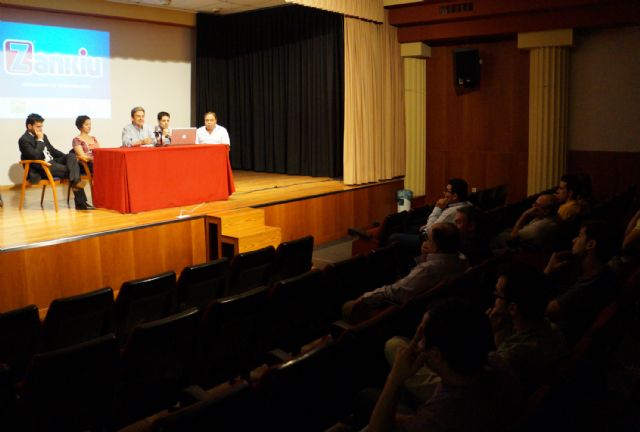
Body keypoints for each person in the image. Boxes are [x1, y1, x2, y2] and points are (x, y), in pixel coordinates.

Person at [367, 299, 521, 432]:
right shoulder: (498, 363)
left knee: (366, 397)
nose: (417, 344)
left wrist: (395, 377)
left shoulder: (440, 417)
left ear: (436, 355)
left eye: (422, 338)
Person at [342, 223, 469, 322]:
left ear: (435, 247)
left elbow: (395, 292)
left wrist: (364, 297)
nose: (424, 241)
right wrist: (424, 257)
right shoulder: (462, 260)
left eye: (428, 238)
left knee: (348, 307)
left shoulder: (428, 270)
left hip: (402, 314)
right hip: (431, 307)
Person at [544, 220, 619, 344]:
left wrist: (547, 270)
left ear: (590, 244)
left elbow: (545, 310)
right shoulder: (605, 273)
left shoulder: (587, 287)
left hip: (555, 340)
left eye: (579, 236)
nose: (574, 240)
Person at [19, 113, 91, 210]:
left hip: (53, 162)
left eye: (41, 126)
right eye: (38, 127)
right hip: (42, 167)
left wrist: (68, 158)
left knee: (71, 156)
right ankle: (81, 203)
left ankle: (79, 197)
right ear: (29, 126)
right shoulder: (24, 140)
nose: (40, 129)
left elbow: (52, 150)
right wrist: (40, 140)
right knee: (75, 171)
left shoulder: (43, 136)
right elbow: (35, 156)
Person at [389, 178, 472, 258]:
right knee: (407, 227)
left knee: (394, 237)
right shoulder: (468, 204)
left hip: (432, 240)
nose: (444, 193)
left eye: (447, 191)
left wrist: (438, 207)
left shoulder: (451, 211)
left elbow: (430, 231)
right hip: (441, 236)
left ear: (455, 196)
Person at [493, 194, 559, 253]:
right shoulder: (554, 216)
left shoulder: (538, 228)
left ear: (546, 211)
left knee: (497, 238)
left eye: (536, 205)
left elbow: (512, 237)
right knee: (505, 230)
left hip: (526, 253)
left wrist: (524, 214)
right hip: (532, 243)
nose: (532, 206)